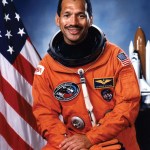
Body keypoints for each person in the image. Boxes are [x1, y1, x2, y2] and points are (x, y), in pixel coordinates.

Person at [32, 0, 141, 149]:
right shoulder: (47, 67)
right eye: (67, 15)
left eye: (81, 15)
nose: (73, 22)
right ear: (58, 19)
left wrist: (90, 138)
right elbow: (45, 114)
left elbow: (128, 104)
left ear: (90, 19)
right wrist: (69, 144)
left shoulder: (115, 57)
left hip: (115, 139)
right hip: (72, 141)